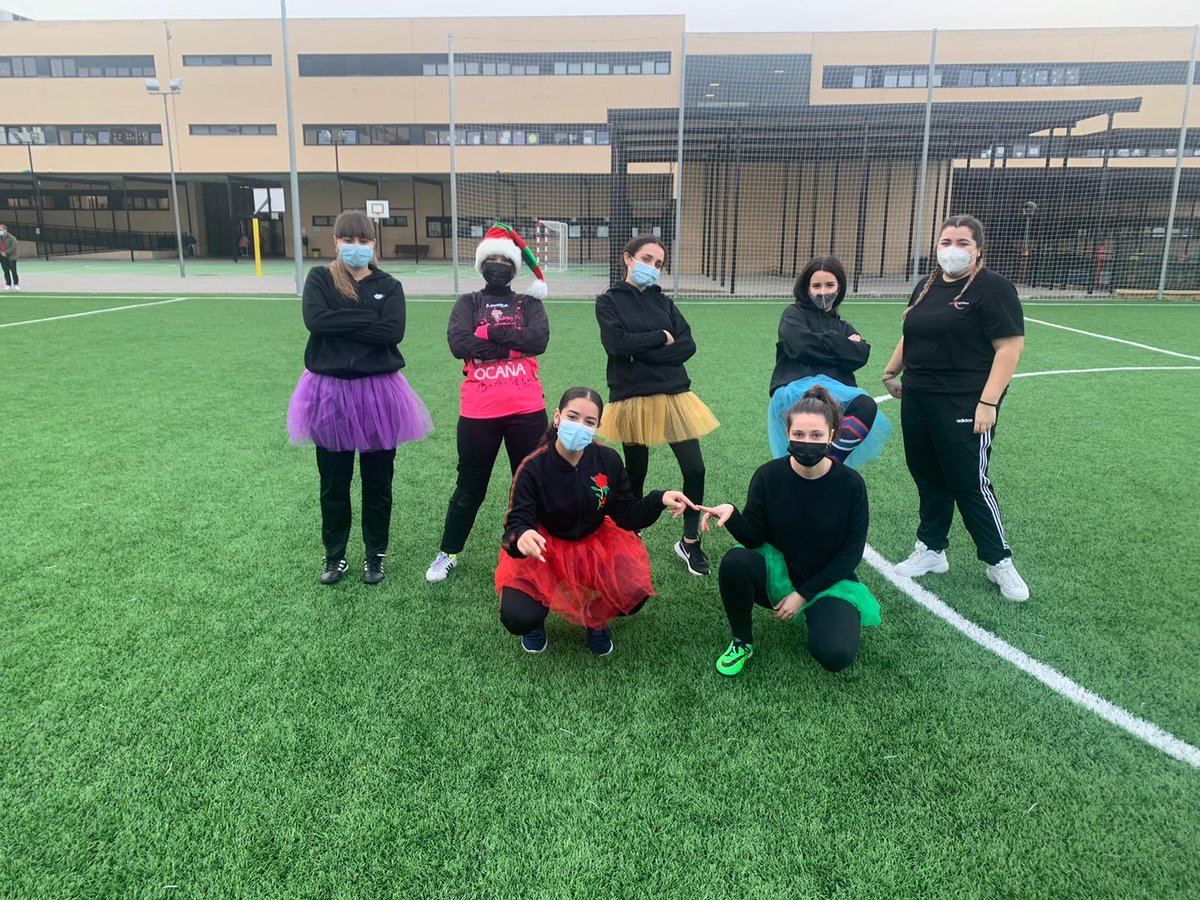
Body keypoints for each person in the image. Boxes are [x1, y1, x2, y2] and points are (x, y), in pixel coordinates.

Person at [881, 214, 1029, 602]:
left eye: (963, 243)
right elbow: (911, 331)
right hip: (918, 397)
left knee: (968, 481)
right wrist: (892, 369)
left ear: (979, 248)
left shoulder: (993, 288)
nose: (953, 250)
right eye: (947, 242)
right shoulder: (926, 285)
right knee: (927, 474)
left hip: (965, 401)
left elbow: (1009, 348)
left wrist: (988, 402)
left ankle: (999, 561)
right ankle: (931, 550)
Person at [286, 210, 433, 585]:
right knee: (334, 483)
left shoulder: (390, 284)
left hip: (378, 395)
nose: (356, 247)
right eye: (348, 240)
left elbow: (393, 331)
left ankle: (374, 555)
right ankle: (335, 556)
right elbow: (316, 321)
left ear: (373, 244)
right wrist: (369, 320)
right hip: (329, 394)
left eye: (363, 240)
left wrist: (344, 320)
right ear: (335, 242)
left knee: (378, 482)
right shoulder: (320, 278)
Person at [497, 386, 694, 656]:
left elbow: (626, 514)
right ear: (557, 417)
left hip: (595, 542)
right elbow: (515, 524)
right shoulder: (533, 467)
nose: (580, 426)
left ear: (598, 427)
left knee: (634, 591)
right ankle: (535, 623)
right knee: (518, 616)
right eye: (572, 417)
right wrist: (521, 538)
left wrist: (658, 499)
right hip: (545, 549)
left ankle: (595, 618)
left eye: (589, 422)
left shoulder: (608, 460)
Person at [699, 386, 880, 677]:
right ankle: (741, 641)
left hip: (830, 580)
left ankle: (827, 615)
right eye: (799, 435)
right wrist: (731, 515)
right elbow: (754, 537)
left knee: (835, 655)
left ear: (833, 435)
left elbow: (850, 555)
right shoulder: (768, 476)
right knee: (735, 562)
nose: (807, 442)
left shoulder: (850, 485)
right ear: (788, 434)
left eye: (816, 436)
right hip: (782, 568)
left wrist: (803, 595)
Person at [426, 222, 551, 583]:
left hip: (527, 409)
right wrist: (514, 342)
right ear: (481, 265)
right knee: (470, 485)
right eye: (491, 259)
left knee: (530, 481)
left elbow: (538, 340)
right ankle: (448, 552)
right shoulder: (468, 302)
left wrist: (487, 333)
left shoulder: (530, 303)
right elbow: (458, 345)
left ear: (515, 266)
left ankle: (536, 548)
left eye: (504, 259)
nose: (498, 264)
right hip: (478, 412)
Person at [594, 234, 718, 577]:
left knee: (694, 468)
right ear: (628, 258)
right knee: (635, 472)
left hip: (674, 394)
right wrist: (660, 339)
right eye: (646, 259)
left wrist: (641, 352)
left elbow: (687, 345)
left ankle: (690, 542)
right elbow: (616, 344)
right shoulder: (608, 301)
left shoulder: (665, 303)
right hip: (631, 397)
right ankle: (630, 535)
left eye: (659, 263)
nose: (652, 267)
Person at [768, 256, 891, 467]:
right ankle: (813, 470)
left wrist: (827, 339)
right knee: (805, 443)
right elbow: (799, 345)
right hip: (795, 389)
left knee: (865, 406)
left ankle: (829, 464)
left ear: (839, 287)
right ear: (806, 287)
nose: (823, 291)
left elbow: (860, 355)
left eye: (829, 285)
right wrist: (840, 345)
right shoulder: (793, 314)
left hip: (836, 395)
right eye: (816, 285)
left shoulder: (843, 325)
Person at [0, 224, 20, 290]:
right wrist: (1, 253)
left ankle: (16, 284)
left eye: (1, 230)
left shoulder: (12, 238)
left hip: (11, 257)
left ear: (5, 230)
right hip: (2, 257)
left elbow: (13, 247)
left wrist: (5, 252)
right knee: (6, 271)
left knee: (13, 271)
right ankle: (8, 284)